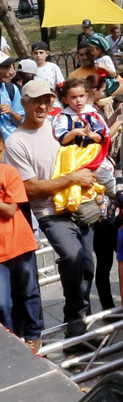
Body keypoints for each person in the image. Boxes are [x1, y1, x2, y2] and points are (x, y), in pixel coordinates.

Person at [3, 78, 99, 339]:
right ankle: (75, 314)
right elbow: (30, 189)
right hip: (50, 212)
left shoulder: (55, 128)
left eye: (47, 100)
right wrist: (71, 180)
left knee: (87, 263)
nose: (44, 105)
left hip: (79, 204)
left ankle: (80, 320)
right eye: (37, 100)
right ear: (24, 103)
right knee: (72, 256)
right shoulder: (16, 143)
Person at [0, 130, 40, 352]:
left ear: (3, 147)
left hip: (20, 243)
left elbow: (10, 209)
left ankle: (34, 335)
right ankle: (12, 342)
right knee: (2, 302)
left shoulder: (10, 173)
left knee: (28, 291)